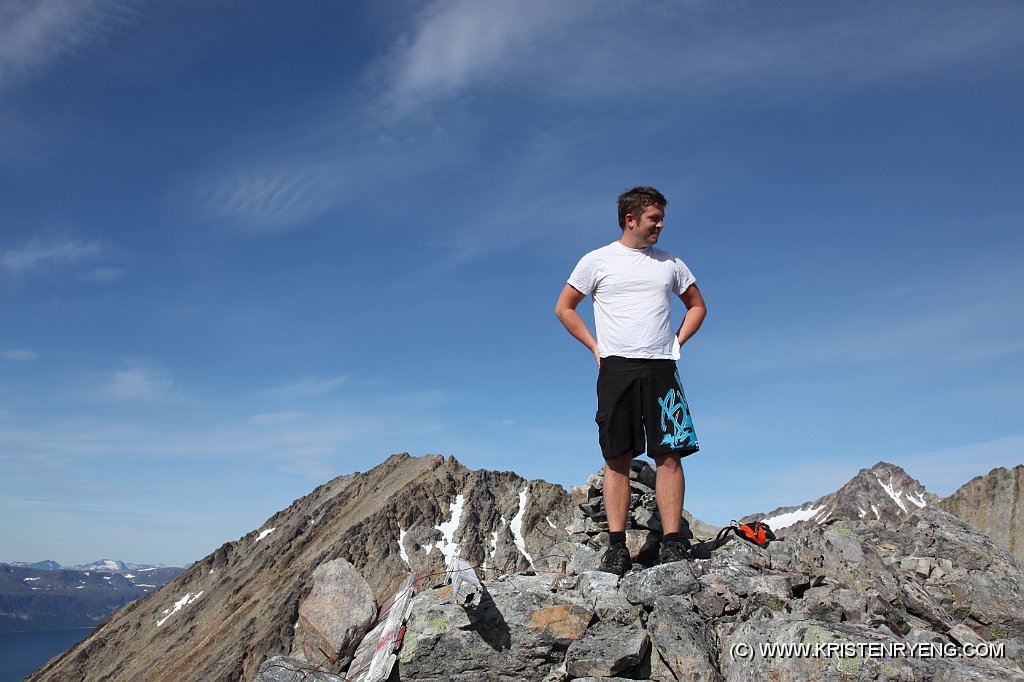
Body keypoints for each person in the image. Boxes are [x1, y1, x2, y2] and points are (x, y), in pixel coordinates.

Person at [555, 186, 707, 575]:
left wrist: (677, 342)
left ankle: (673, 543)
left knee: (669, 453)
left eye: (661, 219)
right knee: (617, 456)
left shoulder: (670, 263)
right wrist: (595, 347)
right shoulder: (597, 261)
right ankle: (617, 545)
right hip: (617, 367)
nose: (660, 225)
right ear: (631, 219)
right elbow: (565, 307)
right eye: (654, 219)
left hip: (661, 367)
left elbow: (697, 305)